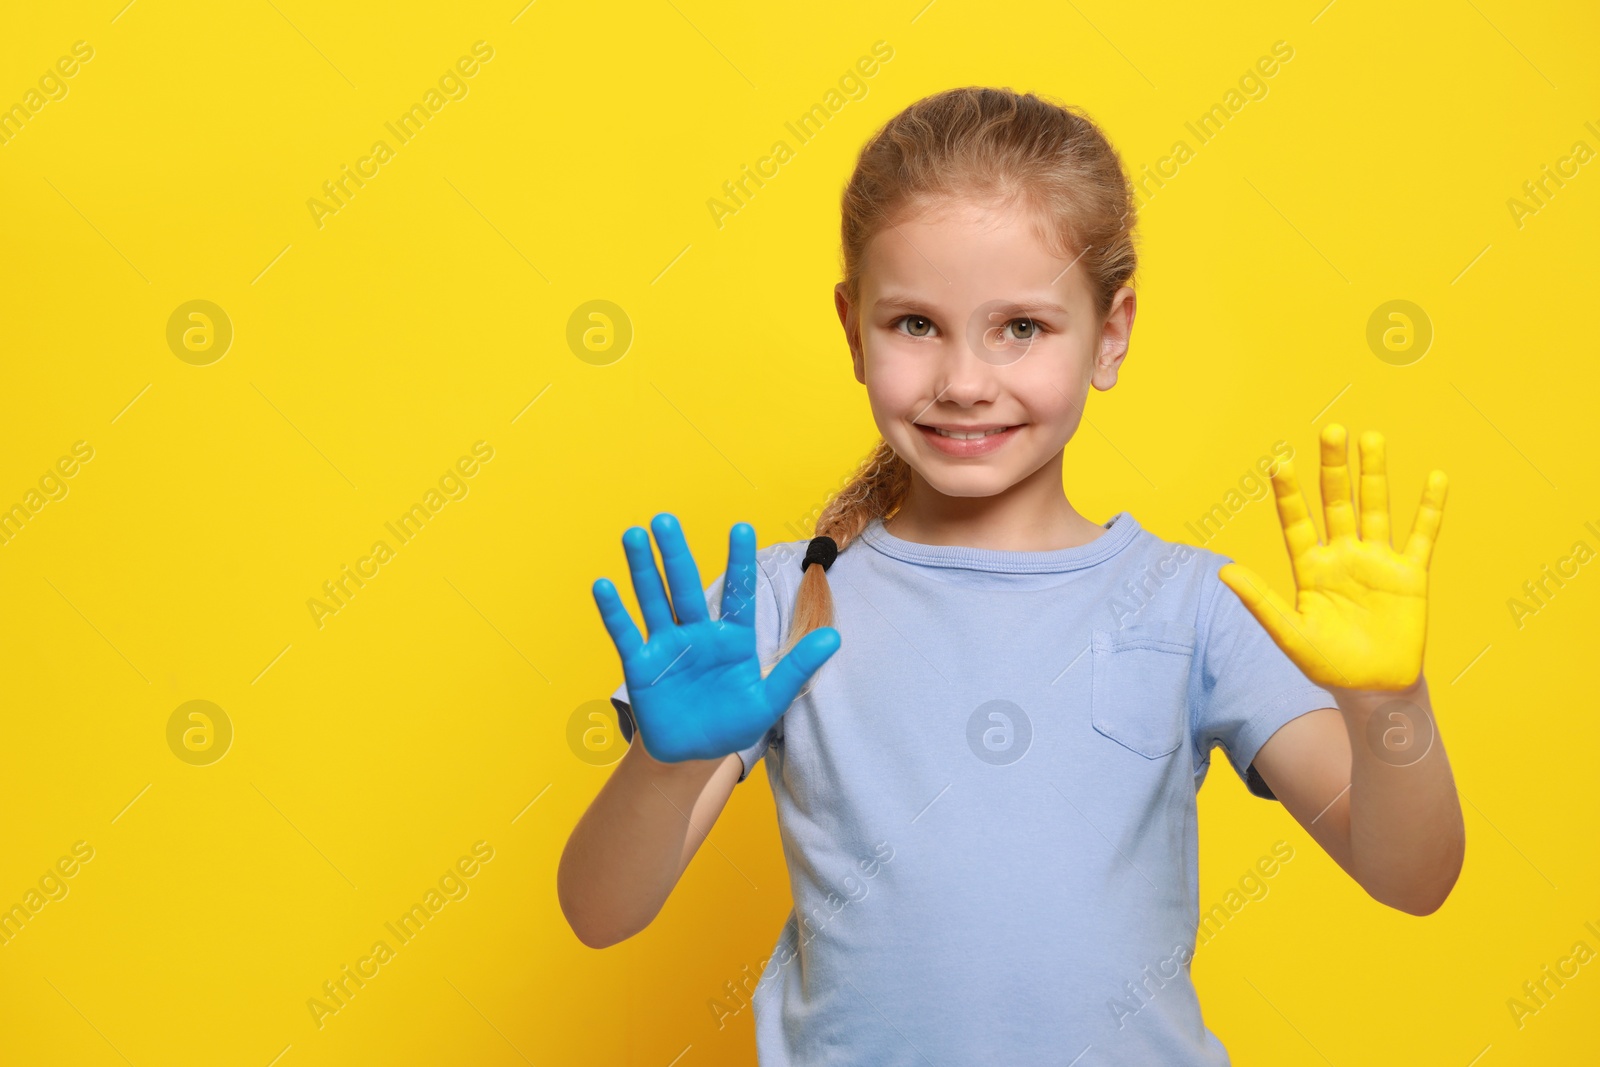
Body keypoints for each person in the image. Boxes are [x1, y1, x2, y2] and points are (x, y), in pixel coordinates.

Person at [558, 86, 1464, 1065]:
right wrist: (665, 761)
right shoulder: (776, 606)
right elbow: (599, 911)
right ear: (851, 325)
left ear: (1110, 333)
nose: (963, 378)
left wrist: (1387, 706)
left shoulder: (1196, 607)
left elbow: (1408, 873)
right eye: (914, 323)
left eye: (1020, 327)